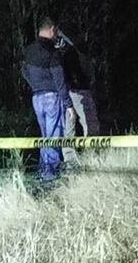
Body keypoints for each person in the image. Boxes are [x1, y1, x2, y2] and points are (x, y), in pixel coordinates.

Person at [20, 17, 68, 182]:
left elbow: (24, 71)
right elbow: (59, 79)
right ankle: (50, 176)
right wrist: (68, 103)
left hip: (37, 97)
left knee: (44, 135)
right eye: (56, 32)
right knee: (54, 136)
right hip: (52, 97)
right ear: (52, 30)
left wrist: (35, 85)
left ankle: (43, 171)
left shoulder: (29, 50)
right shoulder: (52, 52)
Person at [58, 28, 100, 164]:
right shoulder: (76, 53)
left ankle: (70, 160)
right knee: (90, 124)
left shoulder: (63, 54)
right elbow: (86, 73)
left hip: (68, 92)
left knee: (69, 128)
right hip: (80, 91)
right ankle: (92, 157)